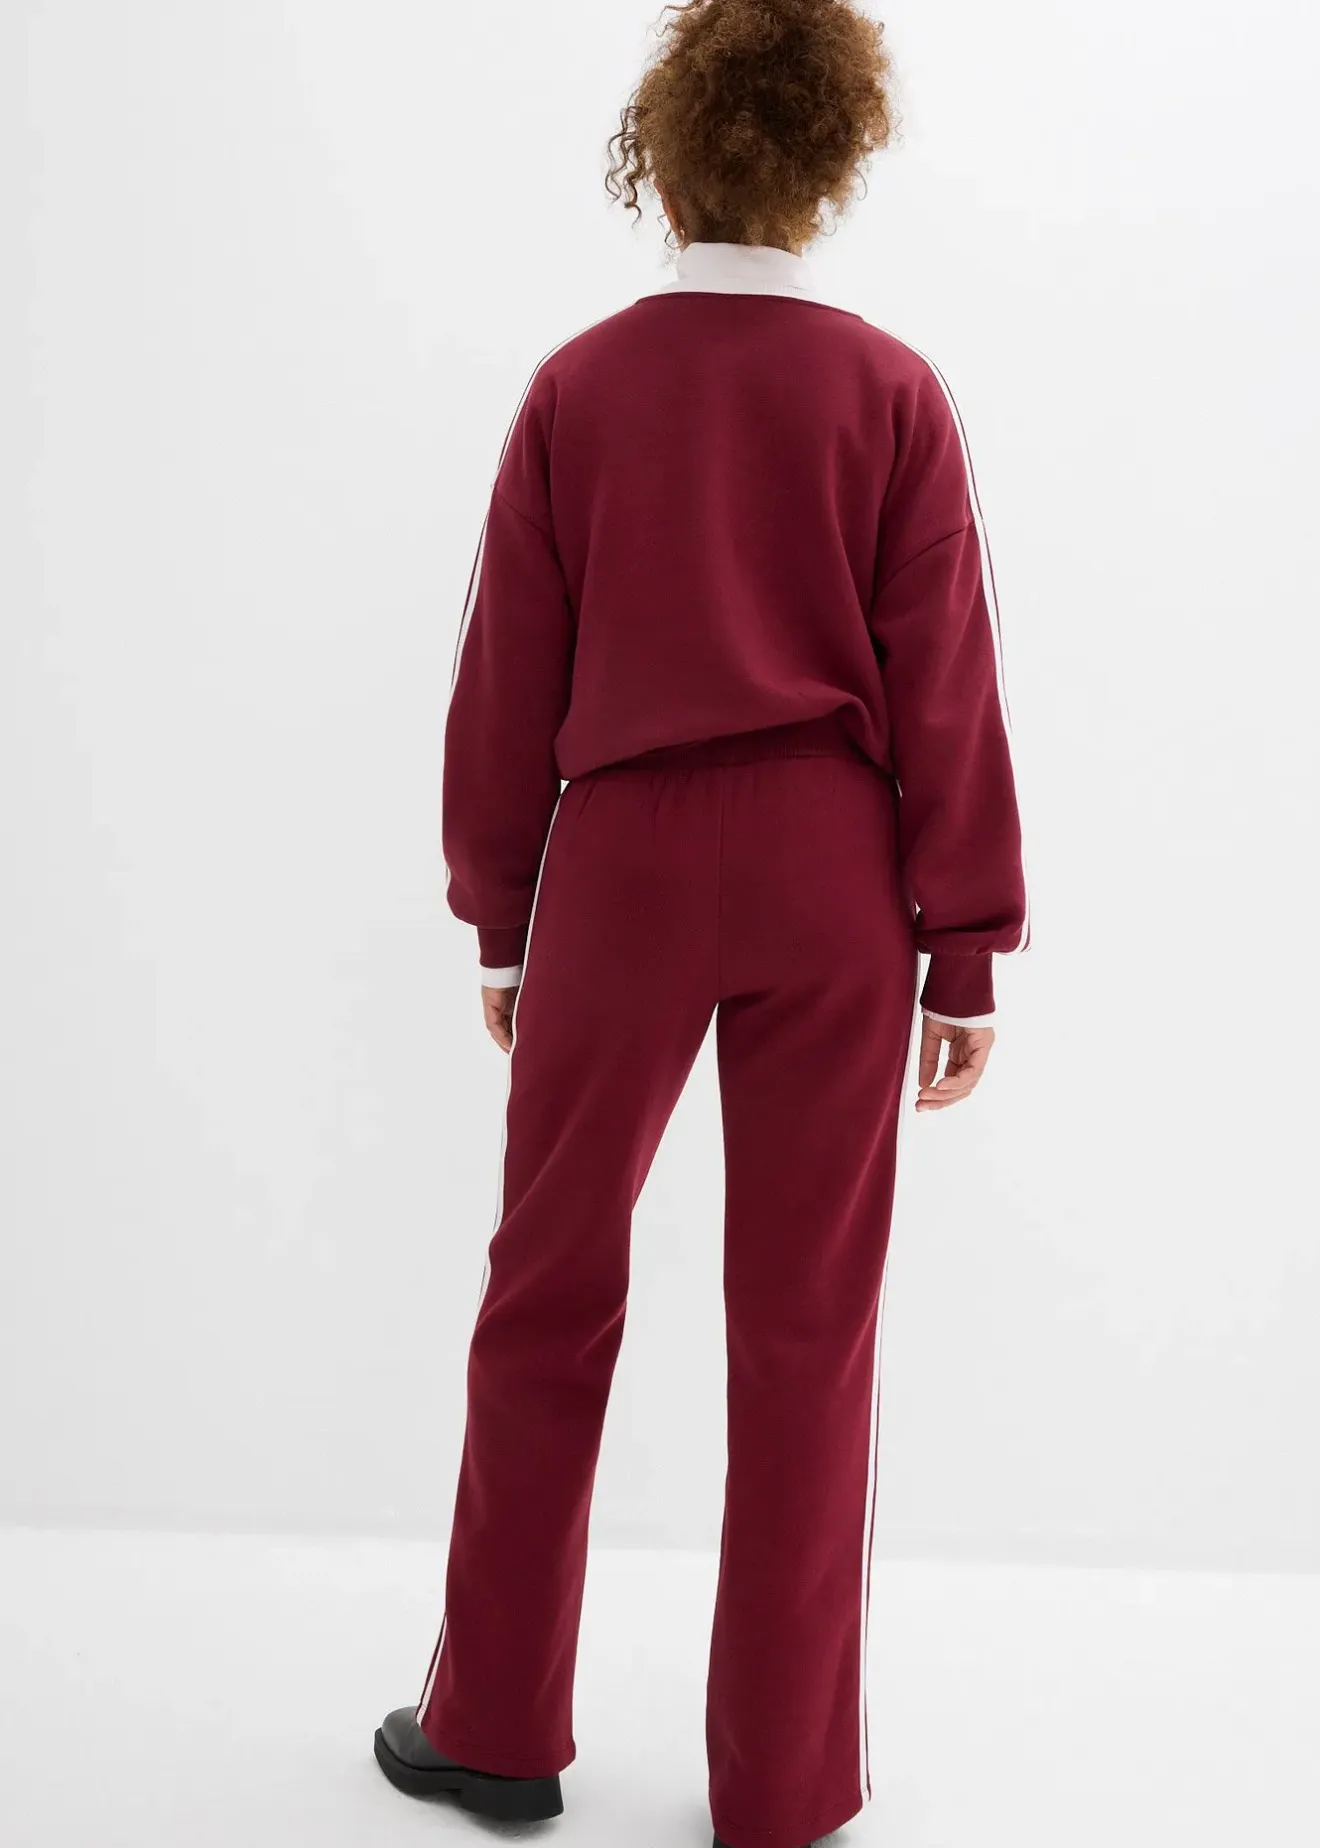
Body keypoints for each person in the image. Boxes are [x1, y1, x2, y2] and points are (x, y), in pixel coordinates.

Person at [372, 1, 1027, 1843]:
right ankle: (783, 1786)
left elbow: (508, 674)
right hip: (834, 870)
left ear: (662, 163)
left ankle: (496, 1725)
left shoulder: (578, 388)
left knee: (547, 1287)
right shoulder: (894, 393)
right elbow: (948, 683)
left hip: (625, 866)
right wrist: (963, 946)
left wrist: (502, 917)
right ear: (831, 165)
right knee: (810, 1330)